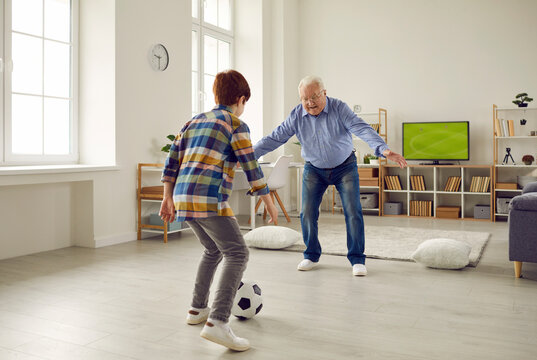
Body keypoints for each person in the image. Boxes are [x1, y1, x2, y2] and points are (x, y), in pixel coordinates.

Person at [159, 69, 278, 352]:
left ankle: (197, 309)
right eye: (244, 102)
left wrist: (167, 198)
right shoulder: (236, 124)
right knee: (237, 253)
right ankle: (218, 322)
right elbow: (250, 164)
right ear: (240, 99)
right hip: (208, 197)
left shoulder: (193, 121)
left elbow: (171, 161)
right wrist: (268, 199)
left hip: (183, 197)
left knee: (212, 250)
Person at [253, 75, 407, 276]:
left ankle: (357, 259)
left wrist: (383, 150)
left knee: (353, 211)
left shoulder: (339, 108)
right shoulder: (296, 116)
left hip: (345, 166)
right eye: (304, 99)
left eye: (314, 97)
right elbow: (275, 138)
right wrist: (247, 154)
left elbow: (361, 128)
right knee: (307, 212)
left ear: (324, 93)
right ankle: (311, 254)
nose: (310, 103)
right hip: (314, 169)